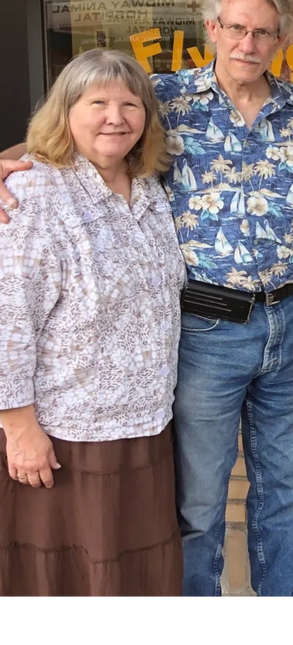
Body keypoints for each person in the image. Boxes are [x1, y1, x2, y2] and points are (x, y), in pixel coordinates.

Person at [0, 0, 293, 599]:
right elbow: (88, 135)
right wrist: (6, 166)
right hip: (203, 332)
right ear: (213, 27)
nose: (249, 43)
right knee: (196, 502)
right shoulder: (161, 100)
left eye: (264, 32)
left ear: (280, 40)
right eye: (237, 28)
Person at [0, 49, 185, 598]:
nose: (116, 116)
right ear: (66, 111)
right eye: (97, 102)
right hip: (66, 436)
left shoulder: (148, 191)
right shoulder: (31, 195)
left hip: (146, 425)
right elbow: (9, 320)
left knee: (135, 575)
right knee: (73, 575)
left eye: (131, 104)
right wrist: (19, 427)